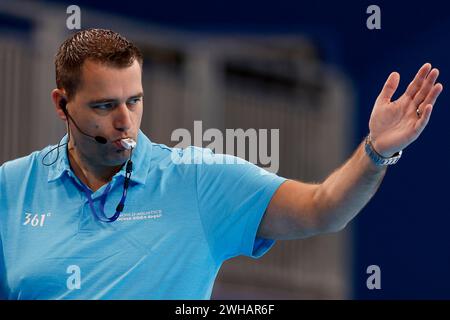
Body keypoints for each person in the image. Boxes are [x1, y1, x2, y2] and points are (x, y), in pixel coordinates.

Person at [0, 28, 442, 300]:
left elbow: (322, 208)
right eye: (103, 105)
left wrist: (376, 150)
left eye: (134, 101)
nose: (124, 121)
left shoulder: (198, 181)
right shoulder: (10, 188)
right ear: (62, 104)